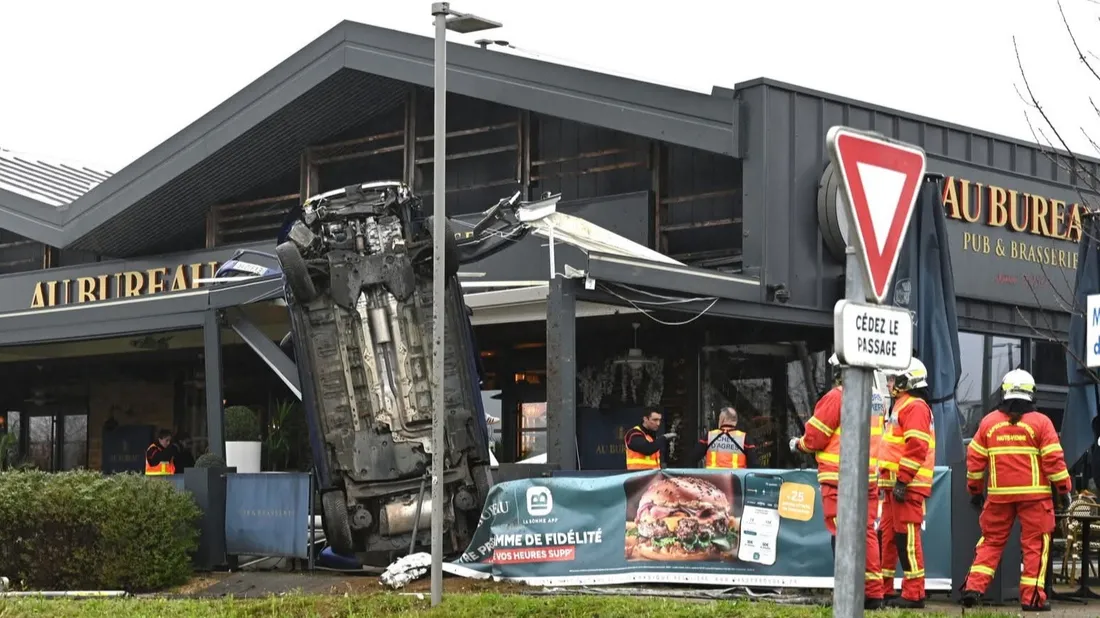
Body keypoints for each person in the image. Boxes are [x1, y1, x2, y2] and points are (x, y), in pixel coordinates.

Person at [960, 369, 1072, 612]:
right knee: (1035, 546)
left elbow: (975, 461)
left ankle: (973, 588)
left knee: (990, 542)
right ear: (1031, 394)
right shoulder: (1041, 423)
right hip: (1035, 498)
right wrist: (1064, 490)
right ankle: (1031, 598)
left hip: (999, 497)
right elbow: (1054, 461)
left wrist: (975, 490)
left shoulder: (989, 423)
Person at [788, 353, 886, 610]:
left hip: (840, 478)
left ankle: (848, 591)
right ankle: (873, 593)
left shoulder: (837, 396)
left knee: (841, 535)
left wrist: (798, 444)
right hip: (868, 476)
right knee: (866, 532)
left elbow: (815, 437)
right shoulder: (877, 397)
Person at [877, 357, 935, 609]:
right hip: (895, 484)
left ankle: (914, 593)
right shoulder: (903, 406)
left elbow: (917, 447)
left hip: (907, 485)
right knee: (887, 536)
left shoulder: (915, 407)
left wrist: (903, 480)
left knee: (907, 538)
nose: (889, 383)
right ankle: (885, 587)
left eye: (893, 379)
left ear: (906, 380)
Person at [692, 407, 756, 469]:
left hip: (712, 478)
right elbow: (754, 465)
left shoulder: (709, 436)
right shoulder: (744, 438)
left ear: (722, 419)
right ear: (735, 421)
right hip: (737, 479)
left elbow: (693, 458)